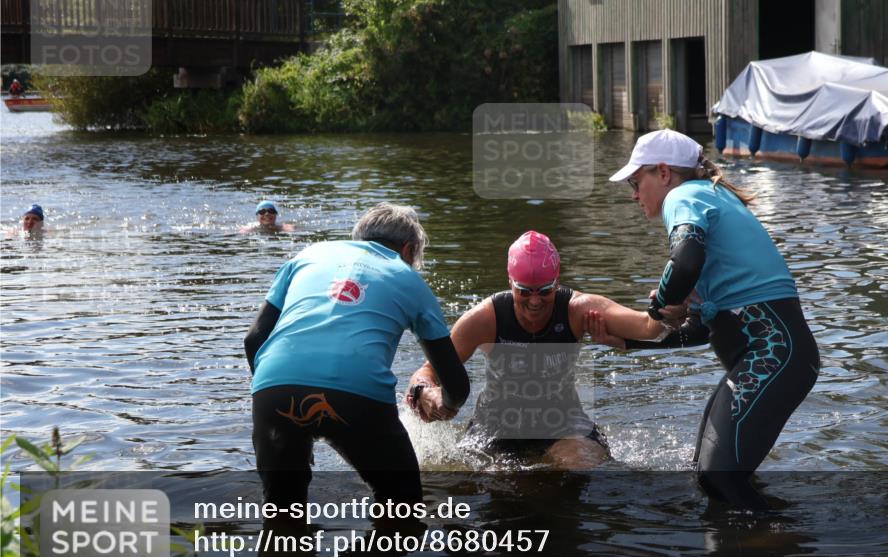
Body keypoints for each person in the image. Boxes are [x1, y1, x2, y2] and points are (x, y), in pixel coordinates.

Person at [606, 128, 820, 508]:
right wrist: (633, 342)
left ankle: (785, 548)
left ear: (664, 173)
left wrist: (658, 308)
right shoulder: (712, 198)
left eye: (636, 183)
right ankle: (765, 552)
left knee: (717, 478)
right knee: (708, 475)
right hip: (777, 358)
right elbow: (701, 332)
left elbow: (685, 260)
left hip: (773, 355)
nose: (635, 195)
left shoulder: (684, 196)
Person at [245, 203, 470, 509]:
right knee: (403, 507)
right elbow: (456, 382)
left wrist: (287, 420)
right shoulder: (408, 278)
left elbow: (254, 339)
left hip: (274, 386)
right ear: (408, 249)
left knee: (282, 510)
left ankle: (282, 555)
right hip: (356, 395)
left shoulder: (309, 255)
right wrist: (445, 406)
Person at [407, 230, 672, 470]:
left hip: (561, 420)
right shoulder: (485, 318)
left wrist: (671, 304)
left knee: (581, 466)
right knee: (479, 481)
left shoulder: (578, 309)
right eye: (525, 291)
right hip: (497, 423)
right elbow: (428, 370)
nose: (535, 301)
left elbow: (649, 327)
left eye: (546, 291)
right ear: (510, 282)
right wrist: (425, 391)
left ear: (557, 282)